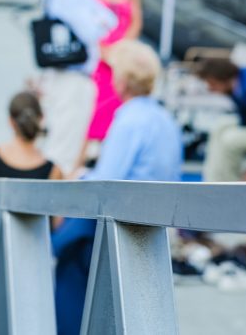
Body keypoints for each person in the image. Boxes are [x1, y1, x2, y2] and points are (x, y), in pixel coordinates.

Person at [51, 40, 182, 335]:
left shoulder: (128, 120)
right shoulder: (164, 119)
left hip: (123, 222)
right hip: (153, 223)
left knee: (65, 255)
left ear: (122, 80)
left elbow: (106, 182)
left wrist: (77, 176)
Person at [38, 0, 117, 174]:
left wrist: (97, 21)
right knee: (64, 147)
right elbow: (92, 30)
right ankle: (53, 196)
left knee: (69, 144)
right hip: (69, 76)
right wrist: (97, 22)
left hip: (75, 75)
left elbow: (109, 19)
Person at [81, 0, 142, 164]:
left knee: (117, 109)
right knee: (92, 112)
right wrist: (103, 50)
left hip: (120, 59)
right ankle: (81, 160)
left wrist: (122, 50)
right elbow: (84, 18)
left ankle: (110, 158)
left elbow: (135, 22)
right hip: (99, 58)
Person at [0, 91, 63, 228]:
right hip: (34, 240)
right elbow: (56, 223)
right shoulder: (53, 170)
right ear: (41, 118)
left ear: (10, 121)